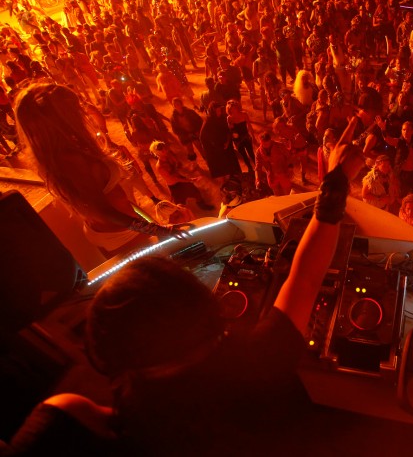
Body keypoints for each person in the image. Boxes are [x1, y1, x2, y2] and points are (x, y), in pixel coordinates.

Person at [5, 120, 367, 456]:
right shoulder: (258, 357)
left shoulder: (72, 416)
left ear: (107, 353)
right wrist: (336, 179)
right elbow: (305, 276)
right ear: (202, 304)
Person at [14, 83, 185, 255]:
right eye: (75, 108)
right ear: (61, 118)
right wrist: (156, 230)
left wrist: (150, 223)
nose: (82, 112)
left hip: (119, 227)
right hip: (119, 233)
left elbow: (111, 198)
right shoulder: (69, 160)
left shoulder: (70, 147)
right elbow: (100, 211)